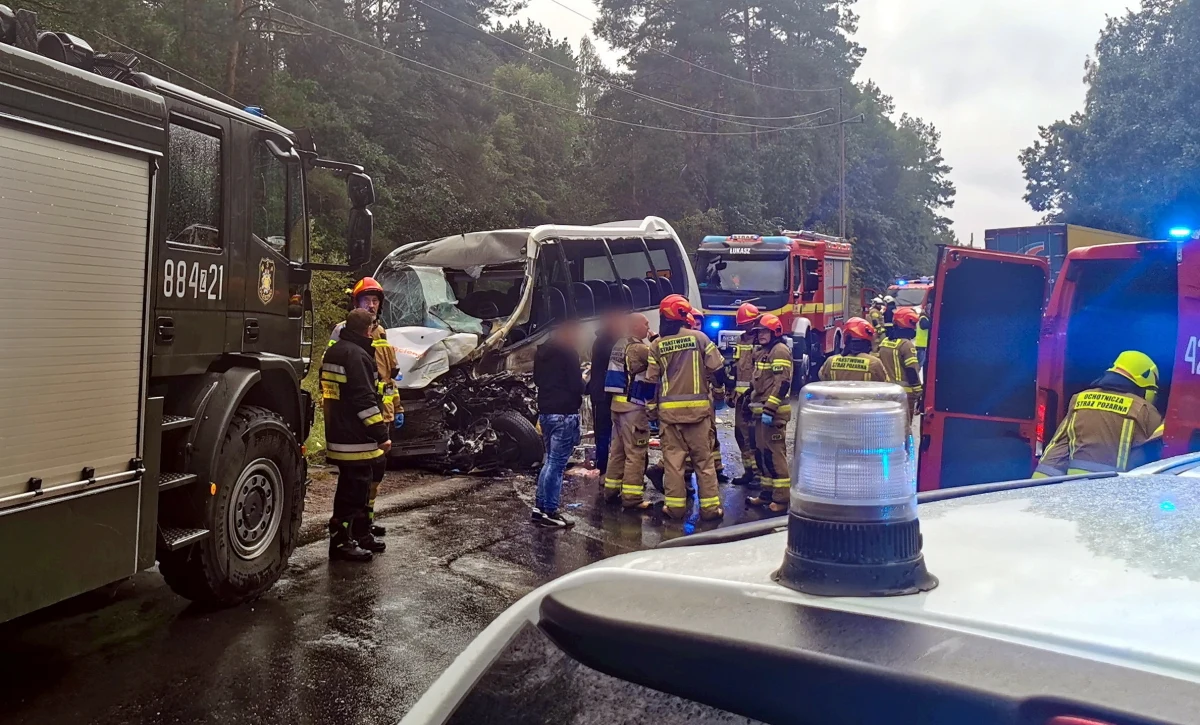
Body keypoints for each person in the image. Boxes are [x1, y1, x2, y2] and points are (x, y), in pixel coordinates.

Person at [330, 277, 402, 538]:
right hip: (360, 417)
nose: (371, 306)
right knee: (358, 477)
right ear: (356, 303)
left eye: (375, 301)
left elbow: (389, 377)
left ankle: (365, 523)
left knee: (375, 474)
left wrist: (398, 407)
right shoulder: (345, 332)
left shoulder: (380, 332)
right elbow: (346, 378)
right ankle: (353, 530)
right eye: (366, 301)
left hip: (380, 413)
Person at [646, 295, 728, 521]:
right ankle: (710, 510)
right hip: (698, 415)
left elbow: (650, 381)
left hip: (669, 417)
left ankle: (675, 509)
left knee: (673, 464)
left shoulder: (656, 345)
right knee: (704, 462)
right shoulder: (699, 338)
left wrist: (652, 410)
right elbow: (718, 369)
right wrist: (720, 389)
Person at [321, 308, 391, 562]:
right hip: (355, 437)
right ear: (367, 329)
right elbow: (364, 400)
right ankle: (341, 542)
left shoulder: (335, 351)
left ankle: (360, 534)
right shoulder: (356, 355)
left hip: (339, 430)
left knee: (359, 481)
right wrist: (381, 433)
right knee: (354, 488)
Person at [1035, 351, 1164, 477]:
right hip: (1111, 491)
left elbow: (1058, 448)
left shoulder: (1079, 399)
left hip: (1073, 486)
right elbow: (1158, 454)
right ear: (1144, 384)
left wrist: (1039, 487)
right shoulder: (1144, 409)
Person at [532, 320, 585, 528]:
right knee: (557, 464)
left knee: (549, 461)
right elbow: (576, 385)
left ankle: (540, 507)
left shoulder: (541, 353)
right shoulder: (568, 353)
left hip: (546, 412)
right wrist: (585, 382)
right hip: (564, 413)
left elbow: (537, 380)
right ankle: (551, 511)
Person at [602, 312, 654, 509]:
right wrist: (655, 340)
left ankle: (611, 491)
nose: (649, 328)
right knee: (636, 452)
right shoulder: (639, 348)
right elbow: (660, 359)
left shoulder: (619, 344)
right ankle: (632, 498)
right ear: (635, 327)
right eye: (646, 324)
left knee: (618, 450)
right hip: (633, 406)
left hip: (617, 405)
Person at [744, 314, 793, 513]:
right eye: (759, 332)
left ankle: (781, 499)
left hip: (774, 414)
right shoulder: (763, 351)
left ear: (775, 332)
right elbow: (759, 382)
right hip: (760, 413)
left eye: (765, 331)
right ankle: (766, 494)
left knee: (775, 455)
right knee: (763, 454)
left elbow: (782, 383)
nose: (761, 335)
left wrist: (770, 409)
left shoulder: (779, 350)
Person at [728, 303, 762, 486]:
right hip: (741, 397)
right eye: (744, 325)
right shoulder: (741, 340)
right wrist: (730, 390)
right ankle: (749, 471)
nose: (747, 328)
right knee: (740, 434)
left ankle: (758, 474)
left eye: (749, 324)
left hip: (756, 396)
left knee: (754, 435)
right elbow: (735, 367)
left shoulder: (763, 342)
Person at [591, 310, 624, 482]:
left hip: (607, 392)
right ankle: (602, 469)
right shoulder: (605, 342)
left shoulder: (608, 340)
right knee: (603, 433)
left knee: (613, 433)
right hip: (602, 394)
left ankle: (610, 468)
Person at [879, 306, 923, 422]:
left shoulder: (885, 342)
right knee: (904, 427)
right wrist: (919, 392)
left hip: (886, 392)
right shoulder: (906, 345)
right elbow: (911, 370)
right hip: (904, 394)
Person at [818, 317, 888, 382]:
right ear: (867, 342)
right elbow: (885, 383)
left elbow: (823, 378)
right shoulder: (874, 363)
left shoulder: (830, 361)